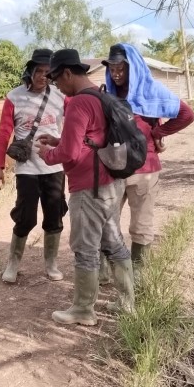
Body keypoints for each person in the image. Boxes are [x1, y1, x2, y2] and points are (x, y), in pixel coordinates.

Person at [36, 49, 134, 325]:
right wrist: (57, 142)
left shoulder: (79, 103)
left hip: (89, 187)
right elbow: (90, 139)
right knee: (113, 242)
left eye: (56, 80)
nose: (56, 86)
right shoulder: (102, 95)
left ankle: (83, 310)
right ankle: (127, 304)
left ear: (67, 73)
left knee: (85, 248)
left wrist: (47, 154)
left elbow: (70, 153)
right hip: (111, 181)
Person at [101, 43, 194, 268]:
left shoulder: (151, 90)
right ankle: (108, 273)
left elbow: (186, 114)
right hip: (115, 169)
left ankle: (138, 277)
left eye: (121, 69)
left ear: (133, 67)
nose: (116, 74)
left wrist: (158, 132)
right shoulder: (108, 95)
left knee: (141, 225)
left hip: (145, 170)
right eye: (112, 69)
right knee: (106, 221)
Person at [0, 48, 68, 283]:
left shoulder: (61, 96)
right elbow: (4, 133)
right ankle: (13, 264)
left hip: (54, 167)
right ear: (30, 71)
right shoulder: (14, 97)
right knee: (25, 217)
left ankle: (51, 264)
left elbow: (77, 124)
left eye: (48, 72)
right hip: (27, 168)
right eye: (39, 71)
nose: (42, 76)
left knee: (54, 215)